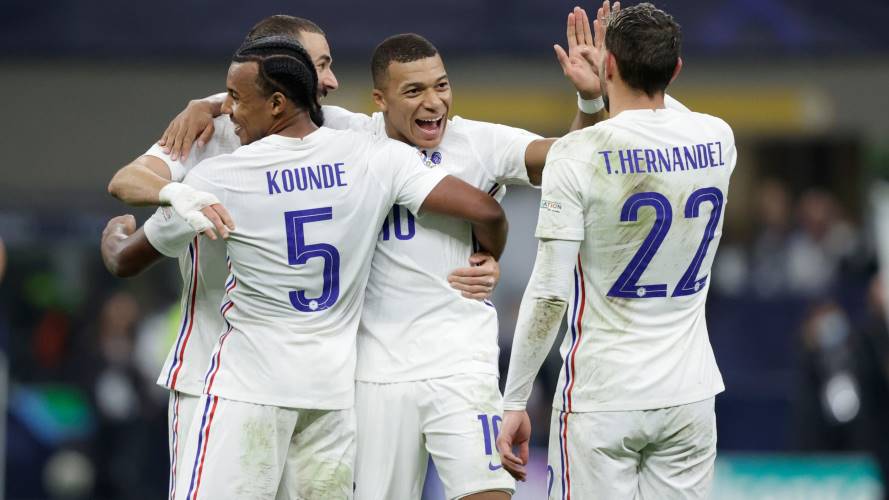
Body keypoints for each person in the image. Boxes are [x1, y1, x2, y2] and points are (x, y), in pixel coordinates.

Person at [111, 10, 611, 500]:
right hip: (348, 374)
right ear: (380, 100)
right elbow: (273, 101)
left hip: (438, 365)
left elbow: (567, 161)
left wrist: (589, 99)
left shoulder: (467, 141)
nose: (327, 80)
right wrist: (210, 105)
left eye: (441, 86)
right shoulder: (355, 141)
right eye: (414, 91)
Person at [495, 3, 737, 499]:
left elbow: (549, 293)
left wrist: (515, 398)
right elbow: (663, 111)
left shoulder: (576, 153)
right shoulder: (719, 137)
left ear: (608, 66)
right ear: (676, 70)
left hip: (603, 397)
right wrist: (609, 87)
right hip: (688, 396)